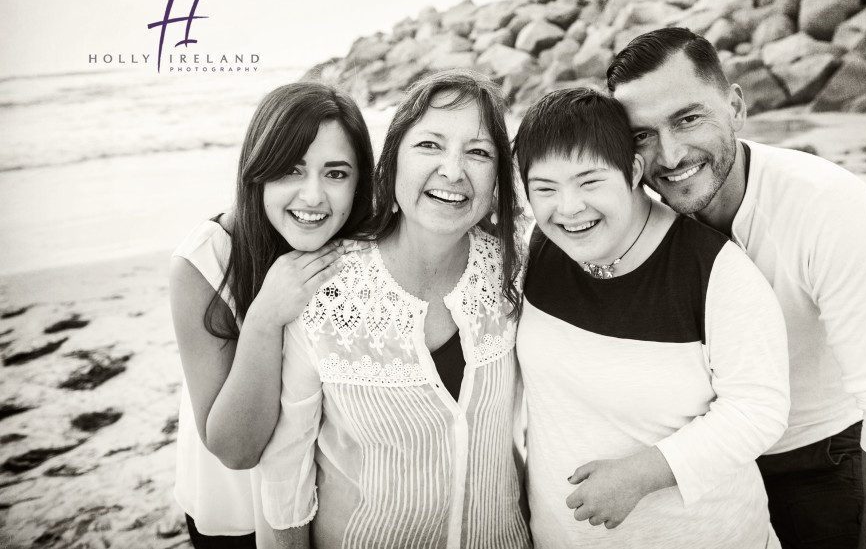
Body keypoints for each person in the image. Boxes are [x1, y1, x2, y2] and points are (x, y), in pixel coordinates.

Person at [607, 27, 866, 549]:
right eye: (642, 134)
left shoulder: (827, 206)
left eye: (689, 118)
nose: (669, 156)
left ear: (735, 105)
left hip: (815, 457)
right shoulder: (627, 213)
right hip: (696, 457)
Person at [258, 69, 531, 549]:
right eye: (429, 145)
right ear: (391, 164)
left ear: (497, 181)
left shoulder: (516, 268)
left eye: (479, 151)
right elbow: (286, 473)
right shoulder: (323, 286)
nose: (452, 170)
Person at [513, 87, 789, 548]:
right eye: (545, 188)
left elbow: (759, 409)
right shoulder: (540, 252)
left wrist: (642, 474)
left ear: (634, 170)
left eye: (589, 181)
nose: (568, 208)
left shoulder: (714, 270)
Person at [170, 82, 375, 548]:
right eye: (291, 170)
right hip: (238, 514)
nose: (313, 196)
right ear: (258, 172)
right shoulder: (204, 263)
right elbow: (234, 449)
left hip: (335, 506)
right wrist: (264, 318)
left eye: (337, 173)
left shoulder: (364, 247)